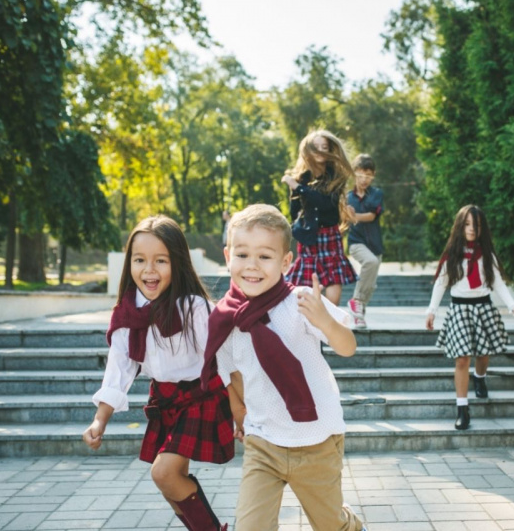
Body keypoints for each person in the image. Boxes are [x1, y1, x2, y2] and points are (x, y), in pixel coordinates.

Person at [200, 204, 366, 531]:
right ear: (227, 255)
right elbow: (233, 375)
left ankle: (349, 523)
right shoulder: (226, 318)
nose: (252, 266)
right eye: (243, 254)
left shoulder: (300, 301)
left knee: (329, 525)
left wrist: (325, 322)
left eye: (265, 256)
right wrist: (241, 417)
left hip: (316, 439)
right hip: (264, 442)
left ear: (286, 262)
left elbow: (348, 348)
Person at [83, 215, 234, 531]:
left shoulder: (193, 308)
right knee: (169, 484)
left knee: (163, 473)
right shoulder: (128, 314)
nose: (148, 270)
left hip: (201, 393)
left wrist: (242, 408)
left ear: (177, 263)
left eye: (160, 261)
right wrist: (100, 420)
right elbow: (119, 369)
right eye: (140, 260)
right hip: (164, 397)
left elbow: (228, 357)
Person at [425, 205, 514, 430]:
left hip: (483, 307)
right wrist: (431, 311)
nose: (472, 229)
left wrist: (513, 306)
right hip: (459, 309)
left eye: (476, 225)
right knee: (462, 358)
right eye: (467, 224)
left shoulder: (487, 256)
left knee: (483, 354)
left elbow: (498, 283)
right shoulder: (451, 255)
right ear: (459, 226)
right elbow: (441, 283)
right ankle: (462, 409)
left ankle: (480, 376)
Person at [282, 129, 357, 306]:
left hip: (329, 237)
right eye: (316, 147)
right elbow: (295, 213)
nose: (321, 151)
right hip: (309, 240)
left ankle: (328, 329)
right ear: (308, 151)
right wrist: (296, 189)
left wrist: (299, 188)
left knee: (332, 300)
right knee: (304, 296)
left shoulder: (335, 177)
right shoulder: (302, 178)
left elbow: (325, 203)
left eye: (325, 147)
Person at [345, 153, 384, 328]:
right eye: (361, 174)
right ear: (354, 174)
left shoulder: (376, 194)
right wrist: (347, 215)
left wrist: (355, 216)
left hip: (375, 244)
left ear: (373, 175)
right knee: (370, 261)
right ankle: (356, 301)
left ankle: (359, 315)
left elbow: (371, 215)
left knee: (371, 285)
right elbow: (344, 219)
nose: (364, 179)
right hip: (356, 243)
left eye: (368, 175)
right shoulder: (347, 197)